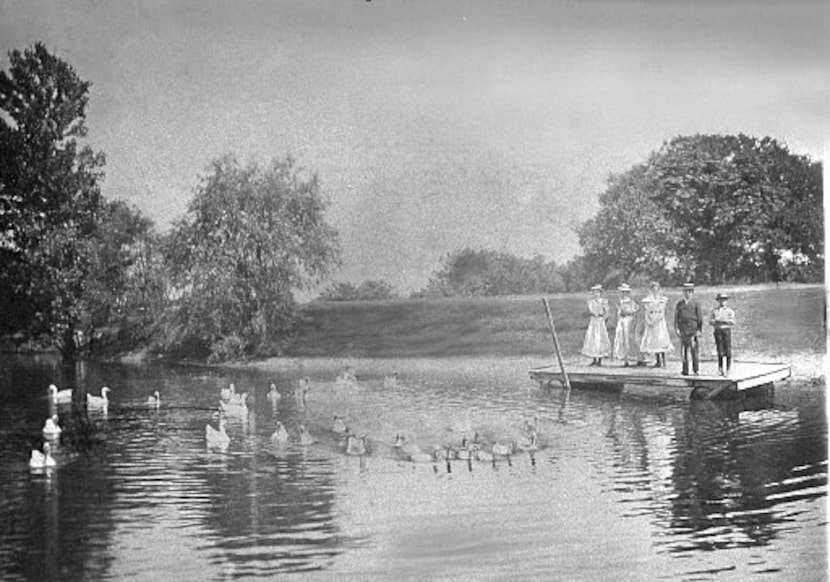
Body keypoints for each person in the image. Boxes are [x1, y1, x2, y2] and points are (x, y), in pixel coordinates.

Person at [640, 281, 673, 367]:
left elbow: (662, 312)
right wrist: (649, 321)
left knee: (661, 339)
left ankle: (664, 360)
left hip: (659, 322)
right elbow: (647, 311)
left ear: (659, 289)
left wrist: (657, 319)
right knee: (654, 341)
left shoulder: (662, 299)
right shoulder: (649, 300)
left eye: (657, 288)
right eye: (653, 289)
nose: (655, 290)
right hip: (652, 321)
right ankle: (658, 360)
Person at [674, 282, 703, 375]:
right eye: (686, 291)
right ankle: (685, 370)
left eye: (690, 292)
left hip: (693, 331)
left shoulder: (696, 304)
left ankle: (695, 370)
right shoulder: (679, 304)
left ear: (692, 293)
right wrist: (677, 329)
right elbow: (676, 318)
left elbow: (700, 318)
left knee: (694, 351)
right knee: (684, 352)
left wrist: (699, 330)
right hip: (683, 331)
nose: (687, 293)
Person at [581, 284, 611, 366]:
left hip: (600, 321)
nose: (595, 294)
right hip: (593, 321)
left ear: (600, 293)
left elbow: (607, 312)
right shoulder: (591, 302)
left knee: (600, 339)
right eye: (594, 292)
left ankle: (600, 359)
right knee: (592, 338)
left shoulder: (604, 301)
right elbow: (591, 311)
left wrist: (604, 319)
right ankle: (594, 358)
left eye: (597, 292)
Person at [612, 283, 640, 367]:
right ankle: (625, 359)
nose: (624, 294)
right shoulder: (620, 302)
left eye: (626, 292)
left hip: (629, 320)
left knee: (630, 338)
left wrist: (630, 313)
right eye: (623, 292)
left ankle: (635, 358)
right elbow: (618, 312)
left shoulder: (631, 302)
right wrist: (620, 315)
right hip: (622, 321)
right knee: (622, 338)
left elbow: (636, 309)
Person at [710, 292, 736, 376]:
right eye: (721, 300)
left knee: (728, 350)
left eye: (724, 300)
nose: (722, 302)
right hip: (718, 331)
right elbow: (710, 321)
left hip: (726, 331)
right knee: (720, 350)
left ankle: (728, 369)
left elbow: (733, 321)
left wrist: (723, 320)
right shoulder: (715, 311)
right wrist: (716, 321)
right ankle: (720, 368)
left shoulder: (729, 311)